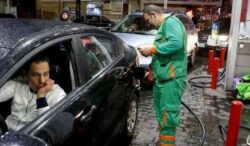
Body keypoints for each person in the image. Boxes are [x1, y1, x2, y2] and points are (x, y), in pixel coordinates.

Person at [138, 5, 187, 146]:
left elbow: (176, 44)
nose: (149, 24)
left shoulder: (171, 23)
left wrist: (152, 49)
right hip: (163, 79)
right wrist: (152, 69)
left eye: (148, 20)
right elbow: (163, 54)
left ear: (153, 14)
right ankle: (163, 142)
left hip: (171, 80)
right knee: (162, 114)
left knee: (168, 115)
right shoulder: (164, 27)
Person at [0, 56, 66, 131]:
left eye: (45, 74)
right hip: (5, 130)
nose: (42, 80)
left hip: (30, 136)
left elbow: (51, 125)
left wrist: (41, 97)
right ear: (26, 74)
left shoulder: (58, 93)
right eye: (35, 75)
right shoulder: (18, 82)